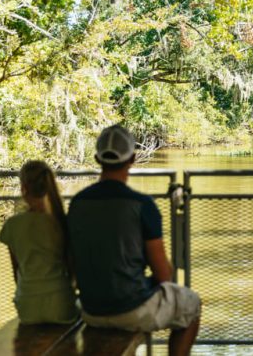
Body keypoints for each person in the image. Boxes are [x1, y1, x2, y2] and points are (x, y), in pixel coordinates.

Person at [67, 125, 201, 356]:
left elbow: (71, 262)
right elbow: (163, 274)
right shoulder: (142, 205)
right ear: (132, 158)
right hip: (131, 309)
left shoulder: (77, 203)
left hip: (90, 309)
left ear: (97, 158)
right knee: (192, 305)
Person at [0, 160, 78, 324]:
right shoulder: (62, 222)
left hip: (27, 307)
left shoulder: (12, 225)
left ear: (23, 188)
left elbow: (17, 272)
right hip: (61, 305)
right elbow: (71, 267)